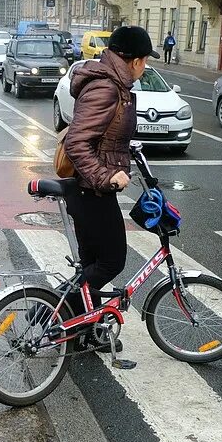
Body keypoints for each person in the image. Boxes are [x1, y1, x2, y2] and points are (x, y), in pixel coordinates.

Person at [62, 26, 160, 346]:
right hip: (91, 190)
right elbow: (78, 142)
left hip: (90, 189)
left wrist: (126, 150)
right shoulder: (107, 87)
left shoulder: (114, 85)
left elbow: (106, 134)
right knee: (112, 259)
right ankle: (55, 315)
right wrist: (106, 176)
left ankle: (80, 329)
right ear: (131, 60)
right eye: (144, 60)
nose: (145, 67)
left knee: (92, 265)